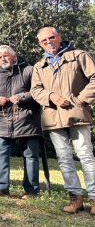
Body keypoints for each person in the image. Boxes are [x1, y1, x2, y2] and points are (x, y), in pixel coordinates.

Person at [31, 27, 95, 214]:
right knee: (64, 159)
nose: (49, 42)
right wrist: (51, 96)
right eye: (44, 41)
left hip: (78, 114)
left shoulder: (79, 55)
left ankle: (94, 199)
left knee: (85, 156)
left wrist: (80, 100)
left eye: (52, 38)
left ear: (59, 37)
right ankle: (75, 199)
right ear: (40, 44)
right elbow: (35, 90)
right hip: (53, 117)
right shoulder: (39, 66)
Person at [0, 45, 42, 198]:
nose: (3, 59)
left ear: (14, 57)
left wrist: (23, 97)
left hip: (27, 121)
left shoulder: (29, 70)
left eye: (6, 55)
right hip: (1, 122)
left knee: (30, 156)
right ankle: (1, 188)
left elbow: (39, 91)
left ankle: (31, 191)